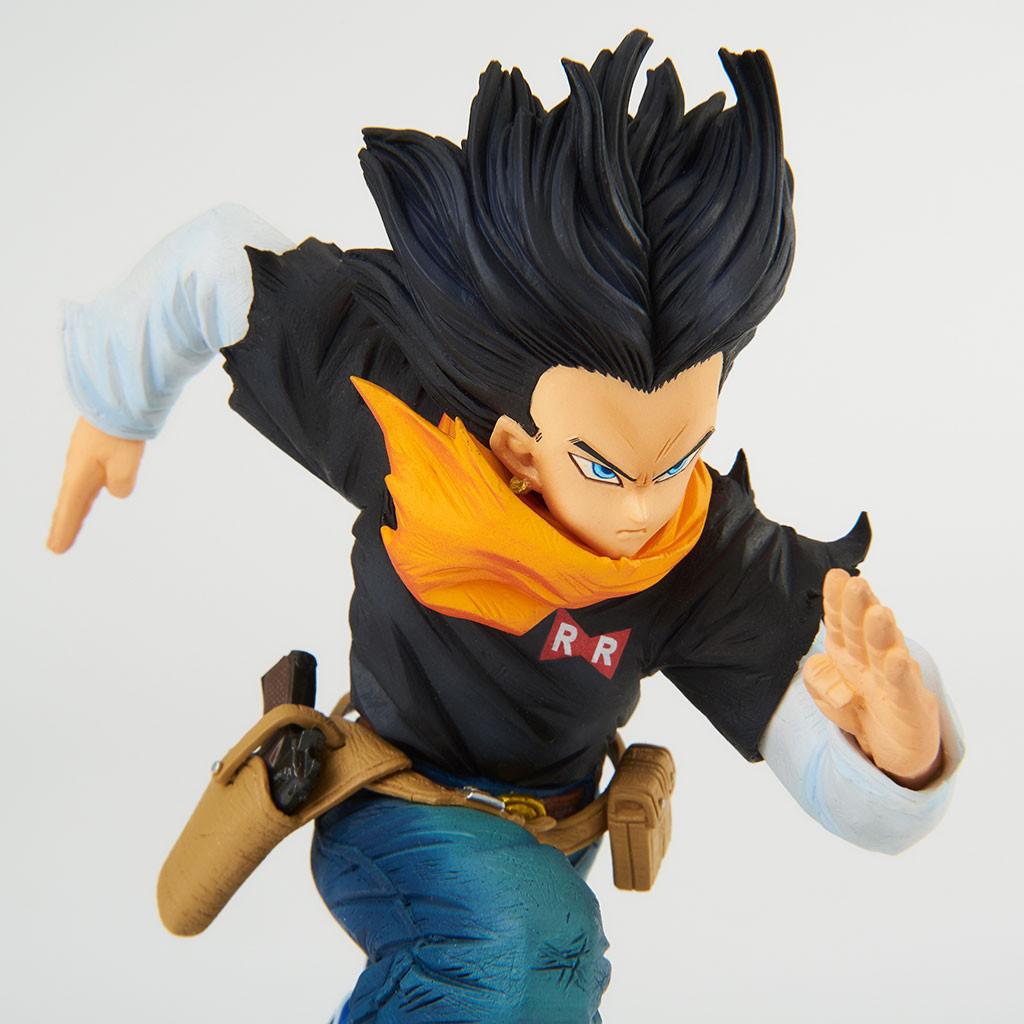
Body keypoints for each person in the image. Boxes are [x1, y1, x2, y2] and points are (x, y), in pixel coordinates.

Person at [48, 31, 962, 1024]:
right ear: (519, 446)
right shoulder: (406, 429)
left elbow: (816, 730)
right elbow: (226, 266)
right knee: (526, 945)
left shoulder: (699, 554)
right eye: (603, 466)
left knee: (545, 974)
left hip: (552, 839)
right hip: (393, 810)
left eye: (677, 458)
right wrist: (115, 403)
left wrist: (899, 755)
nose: (643, 507)